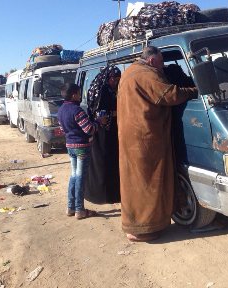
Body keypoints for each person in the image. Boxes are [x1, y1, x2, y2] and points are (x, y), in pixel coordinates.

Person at [117, 46, 198, 242]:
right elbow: (168, 95)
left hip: (133, 137)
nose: (163, 67)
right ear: (152, 61)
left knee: (136, 182)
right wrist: (194, 90)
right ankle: (143, 229)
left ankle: (137, 225)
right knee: (147, 183)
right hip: (145, 138)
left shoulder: (130, 71)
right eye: (161, 62)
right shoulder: (146, 74)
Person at [57, 83, 105, 219]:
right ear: (74, 95)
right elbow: (89, 129)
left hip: (70, 146)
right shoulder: (77, 110)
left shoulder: (61, 110)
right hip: (82, 148)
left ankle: (70, 207)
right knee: (80, 178)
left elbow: (62, 130)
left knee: (73, 176)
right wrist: (99, 122)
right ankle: (80, 210)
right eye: (79, 93)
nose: (80, 96)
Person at [86, 66, 122, 204]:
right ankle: (101, 196)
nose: (117, 82)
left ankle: (114, 194)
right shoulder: (100, 91)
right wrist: (116, 113)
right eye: (116, 79)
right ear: (109, 78)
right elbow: (99, 114)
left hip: (112, 132)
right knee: (102, 163)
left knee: (113, 162)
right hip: (102, 133)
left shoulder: (111, 90)